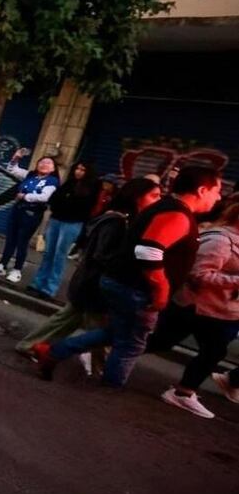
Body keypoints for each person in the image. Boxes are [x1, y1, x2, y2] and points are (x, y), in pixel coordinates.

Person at [34, 166, 223, 386]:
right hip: (136, 289)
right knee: (131, 344)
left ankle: (54, 352)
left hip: (125, 284)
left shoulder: (169, 209)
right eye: (216, 190)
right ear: (202, 190)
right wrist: (161, 290)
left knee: (118, 333)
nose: (218, 197)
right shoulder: (177, 214)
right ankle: (109, 387)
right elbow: (148, 250)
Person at [15, 178, 162, 359]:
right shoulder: (117, 222)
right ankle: (96, 367)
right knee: (99, 332)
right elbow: (103, 254)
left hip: (90, 282)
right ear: (137, 197)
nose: (158, 200)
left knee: (68, 320)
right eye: (154, 196)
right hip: (95, 284)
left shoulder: (121, 220)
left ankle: (31, 345)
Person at [154, 200, 239, 418]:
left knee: (213, 351)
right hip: (198, 307)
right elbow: (198, 274)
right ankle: (102, 347)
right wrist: (235, 281)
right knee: (161, 340)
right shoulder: (221, 239)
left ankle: (184, 392)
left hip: (222, 310)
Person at [0, 149, 59, 283]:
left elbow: (44, 197)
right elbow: (13, 170)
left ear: (53, 168)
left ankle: (17, 270)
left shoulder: (52, 181)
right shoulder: (30, 175)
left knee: (22, 242)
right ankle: (2, 265)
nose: (44, 165)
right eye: (42, 162)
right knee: (10, 239)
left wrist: (25, 196)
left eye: (48, 163)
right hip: (17, 210)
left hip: (32, 214)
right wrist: (16, 158)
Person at [28, 161, 99, 299]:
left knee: (59, 256)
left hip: (71, 223)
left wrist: (67, 206)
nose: (78, 172)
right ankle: (38, 283)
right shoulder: (68, 184)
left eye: (82, 169)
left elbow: (85, 209)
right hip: (56, 220)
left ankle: (50, 288)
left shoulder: (90, 188)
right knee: (48, 252)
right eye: (77, 168)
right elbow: (54, 200)